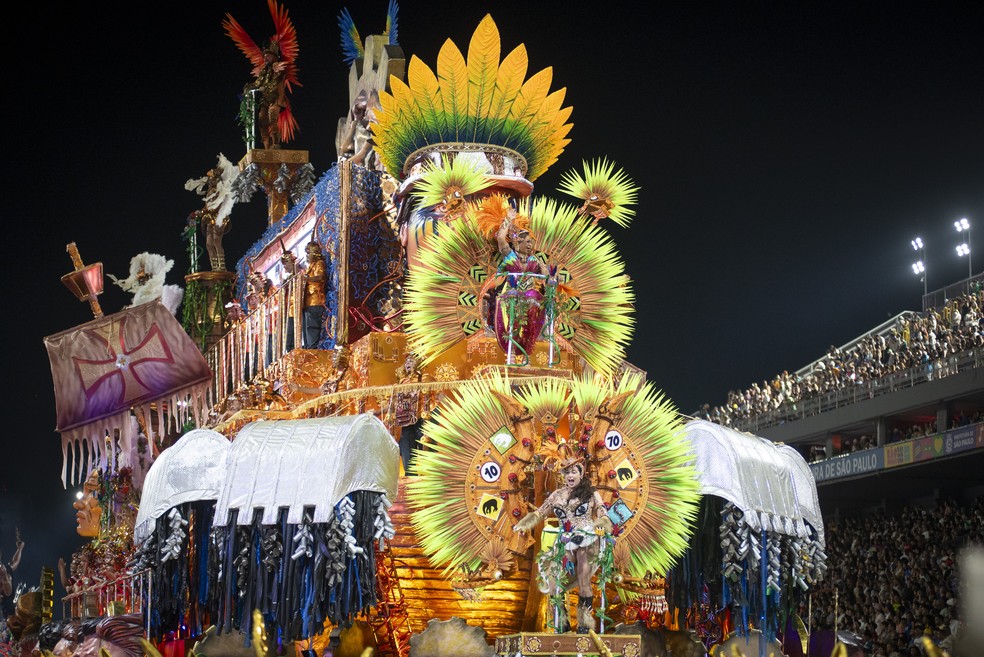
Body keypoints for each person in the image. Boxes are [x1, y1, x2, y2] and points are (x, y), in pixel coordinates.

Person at [513, 444, 613, 634]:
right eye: (566, 472)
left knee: (584, 577)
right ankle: (562, 623)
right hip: (564, 541)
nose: (570, 475)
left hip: (587, 538)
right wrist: (523, 524)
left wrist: (603, 522)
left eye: (574, 471)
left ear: (581, 473)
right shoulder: (556, 495)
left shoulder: (591, 493)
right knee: (552, 581)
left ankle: (584, 624)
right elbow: (540, 513)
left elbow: (602, 512)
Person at [491, 209, 550, 363]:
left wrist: (549, 278)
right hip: (511, 295)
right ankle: (511, 349)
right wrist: (508, 219)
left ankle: (526, 353)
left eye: (532, 242)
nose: (531, 245)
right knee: (510, 319)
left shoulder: (534, 260)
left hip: (529, 296)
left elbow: (544, 272)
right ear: (519, 243)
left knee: (531, 313)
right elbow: (501, 238)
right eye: (528, 242)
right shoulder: (509, 255)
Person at [302, 241, 327, 348]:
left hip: (315, 300)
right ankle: (308, 349)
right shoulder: (310, 266)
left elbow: (320, 277)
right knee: (307, 328)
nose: (307, 256)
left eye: (308, 253)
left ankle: (312, 351)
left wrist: (306, 279)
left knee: (312, 328)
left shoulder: (319, 263)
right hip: (307, 302)